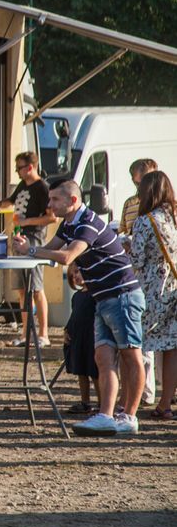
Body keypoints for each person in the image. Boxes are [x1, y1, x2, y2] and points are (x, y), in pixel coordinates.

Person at [14, 179, 145, 436]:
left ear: (73, 201)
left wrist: (31, 250)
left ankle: (129, 416)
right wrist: (28, 249)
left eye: (54, 201)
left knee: (131, 356)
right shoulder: (69, 222)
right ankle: (106, 415)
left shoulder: (88, 223)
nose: (49, 205)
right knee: (103, 358)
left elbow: (66, 256)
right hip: (102, 297)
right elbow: (50, 249)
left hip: (122, 295)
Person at [129, 170, 177, 420]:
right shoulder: (173, 217)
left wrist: (126, 246)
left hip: (150, 291)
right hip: (173, 289)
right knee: (170, 349)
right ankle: (165, 404)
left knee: (131, 345)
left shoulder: (145, 221)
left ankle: (129, 404)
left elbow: (136, 259)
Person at [0, 152, 54, 347]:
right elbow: (10, 201)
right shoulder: (23, 185)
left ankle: (44, 333)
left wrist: (27, 221)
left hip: (34, 240)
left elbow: (51, 217)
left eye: (19, 168)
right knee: (22, 289)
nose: (17, 172)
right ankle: (25, 333)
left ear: (30, 167)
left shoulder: (42, 188)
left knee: (36, 287)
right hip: (19, 238)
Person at [120, 158, 159, 406]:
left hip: (150, 278)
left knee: (147, 338)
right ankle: (147, 392)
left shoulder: (157, 211)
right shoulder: (131, 204)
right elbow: (125, 230)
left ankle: (147, 392)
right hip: (140, 274)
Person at [62, 261, 101, 415]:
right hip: (78, 338)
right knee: (81, 371)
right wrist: (66, 330)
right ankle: (85, 402)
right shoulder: (77, 296)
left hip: (92, 338)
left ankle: (102, 402)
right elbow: (74, 316)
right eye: (73, 275)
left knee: (95, 372)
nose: (76, 276)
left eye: (78, 272)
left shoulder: (95, 296)